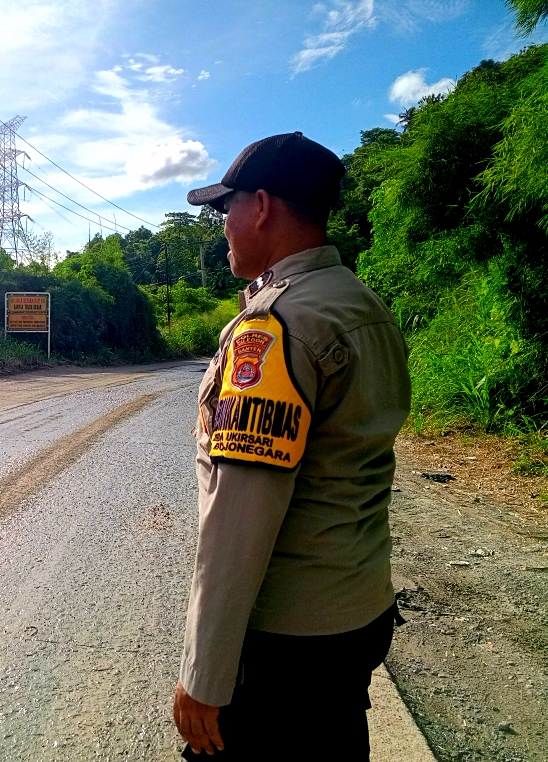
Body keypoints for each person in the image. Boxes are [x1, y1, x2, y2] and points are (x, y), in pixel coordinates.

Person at [173, 132, 411, 760]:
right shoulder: (363, 305)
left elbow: (239, 517)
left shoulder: (276, 326)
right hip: (356, 612)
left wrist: (205, 677)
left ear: (260, 206)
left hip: (286, 645)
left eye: (226, 209)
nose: (224, 228)